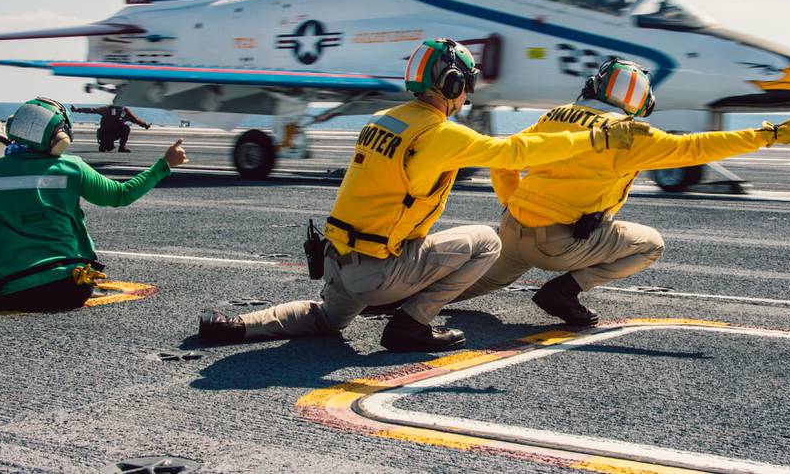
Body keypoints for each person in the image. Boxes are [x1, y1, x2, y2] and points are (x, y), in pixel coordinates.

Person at [197, 38, 651, 352]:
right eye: (465, 86)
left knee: (324, 318)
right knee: (485, 241)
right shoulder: (439, 133)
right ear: (453, 85)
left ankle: (236, 327)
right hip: (379, 271)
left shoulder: (383, 119)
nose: (467, 95)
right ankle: (410, 325)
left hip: (340, 264)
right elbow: (514, 151)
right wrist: (594, 140)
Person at [455, 58, 790, 326]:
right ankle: (563, 292)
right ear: (640, 103)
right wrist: (769, 135)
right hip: (560, 245)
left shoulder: (555, 115)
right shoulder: (630, 136)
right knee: (650, 244)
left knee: (462, 290)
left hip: (511, 231)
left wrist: (512, 203)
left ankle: (404, 301)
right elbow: (698, 147)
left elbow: (504, 161)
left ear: (594, 85)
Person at [0, 97, 188, 312]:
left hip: (4, 288)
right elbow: (121, 194)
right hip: (68, 289)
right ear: (59, 137)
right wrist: (164, 165)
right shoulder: (72, 168)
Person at [71, 104, 151, 153]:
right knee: (107, 148)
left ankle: (122, 147)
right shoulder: (107, 109)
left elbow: (136, 120)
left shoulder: (125, 112)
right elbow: (92, 110)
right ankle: (103, 144)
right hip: (105, 133)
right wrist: (77, 110)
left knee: (126, 128)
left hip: (116, 133)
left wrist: (145, 125)